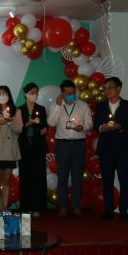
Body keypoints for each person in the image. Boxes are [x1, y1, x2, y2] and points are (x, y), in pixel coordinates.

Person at [93, 77, 128, 222]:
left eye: (110, 87)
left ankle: (124, 211)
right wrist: (102, 127)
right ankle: (108, 211)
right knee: (107, 181)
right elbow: (96, 125)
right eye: (105, 88)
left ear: (119, 88)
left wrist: (121, 127)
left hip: (123, 149)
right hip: (105, 149)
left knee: (125, 181)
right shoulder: (101, 106)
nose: (107, 91)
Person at [48, 79, 93, 218]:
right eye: (68, 93)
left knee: (77, 177)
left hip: (79, 144)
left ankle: (76, 207)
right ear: (62, 93)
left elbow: (90, 124)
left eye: (73, 93)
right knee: (62, 176)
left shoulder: (83, 105)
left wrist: (82, 127)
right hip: (62, 145)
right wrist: (58, 106)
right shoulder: (56, 106)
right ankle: (62, 207)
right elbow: (51, 122)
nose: (71, 95)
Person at [18, 83, 48, 220]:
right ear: (26, 94)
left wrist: (42, 130)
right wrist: (28, 125)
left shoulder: (41, 109)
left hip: (38, 147)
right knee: (25, 177)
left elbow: (44, 126)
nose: (34, 95)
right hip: (24, 147)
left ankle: (37, 207)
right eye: (32, 92)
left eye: (36, 92)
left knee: (38, 177)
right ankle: (26, 207)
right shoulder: (19, 110)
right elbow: (18, 129)